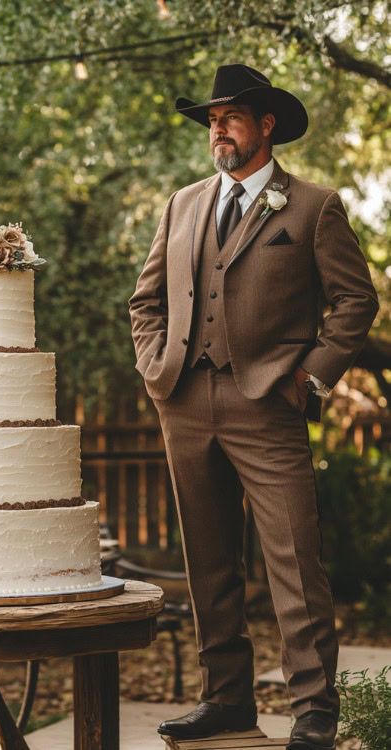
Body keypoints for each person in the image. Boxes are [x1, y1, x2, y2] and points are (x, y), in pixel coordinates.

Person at [128, 63, 379, 750]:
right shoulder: (181, 204)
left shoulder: (313, 206)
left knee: (295, 559)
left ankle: (314, 711)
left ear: (266, 124)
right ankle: (227, 702)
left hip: (268, 403)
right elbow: (144, 301)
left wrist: (314, 375)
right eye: (212, 120)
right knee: (208, 561)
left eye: (230, 117)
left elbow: (357, 301)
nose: (217, 129)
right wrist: (156, 368)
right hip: (184, 399)